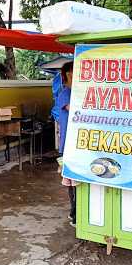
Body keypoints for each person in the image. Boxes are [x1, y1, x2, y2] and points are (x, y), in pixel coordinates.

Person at [56, 61, 77, 227]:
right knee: (71, 182)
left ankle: (77, 212)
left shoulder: (75, 92)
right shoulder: (65, 93)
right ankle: (74, 213)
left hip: (78, 142)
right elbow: (76, 110)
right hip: (69, 143)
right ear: (69, 74)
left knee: (78, 181)